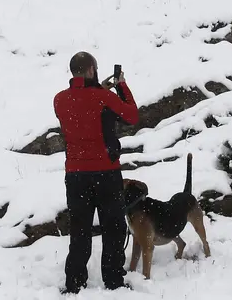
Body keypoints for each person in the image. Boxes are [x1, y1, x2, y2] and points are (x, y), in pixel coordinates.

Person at [53, 51, 139, 294]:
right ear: (91, 69)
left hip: (76, 175)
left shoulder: (60, 100)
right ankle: (113, 281)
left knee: (80, 230)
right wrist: (120, 85)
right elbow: (131, 115)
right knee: (113, 228)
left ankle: (75, 283)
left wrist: (97, 90)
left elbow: (82, 107)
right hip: (106, 173)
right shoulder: (104, 97)